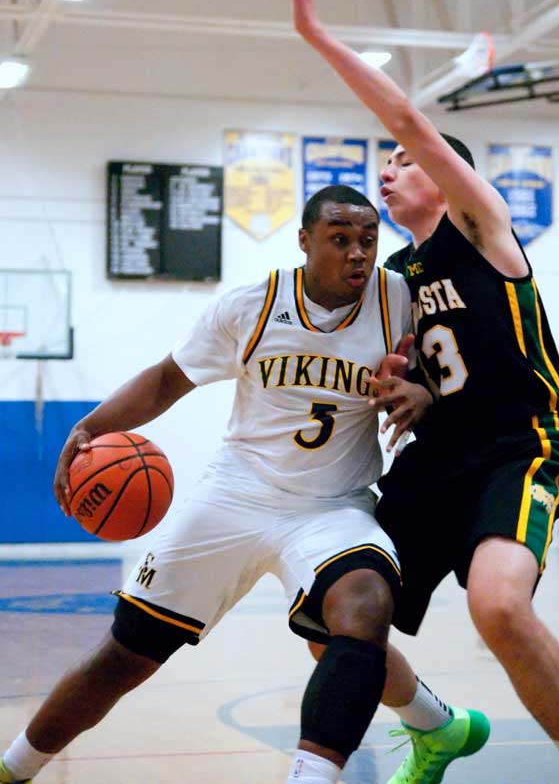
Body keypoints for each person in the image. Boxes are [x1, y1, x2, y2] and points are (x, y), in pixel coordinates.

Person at [0, 185, 488, 784]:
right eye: (339, 239)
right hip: (235, 495)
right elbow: (165, 380)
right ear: (305, 242)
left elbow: (461, 369)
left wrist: (425, 394)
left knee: (365, 605)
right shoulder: (251, 306)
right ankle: (14, 768)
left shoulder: (398, 300)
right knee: (123, 657)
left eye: (367, 239)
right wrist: (91, 426)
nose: (357, 253)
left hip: (332, 508)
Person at [293, 0, 559, 784]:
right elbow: (410, 370)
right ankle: (435, 726)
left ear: (447, 176)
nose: (386, 174)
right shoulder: (396, 277)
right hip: (438, 461)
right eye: (386, 167)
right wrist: (407, 389)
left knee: (498, 606)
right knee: (329, 617)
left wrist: (319, 35)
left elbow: (408, 122)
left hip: (518, 447)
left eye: (398, 164)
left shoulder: (479, 230)